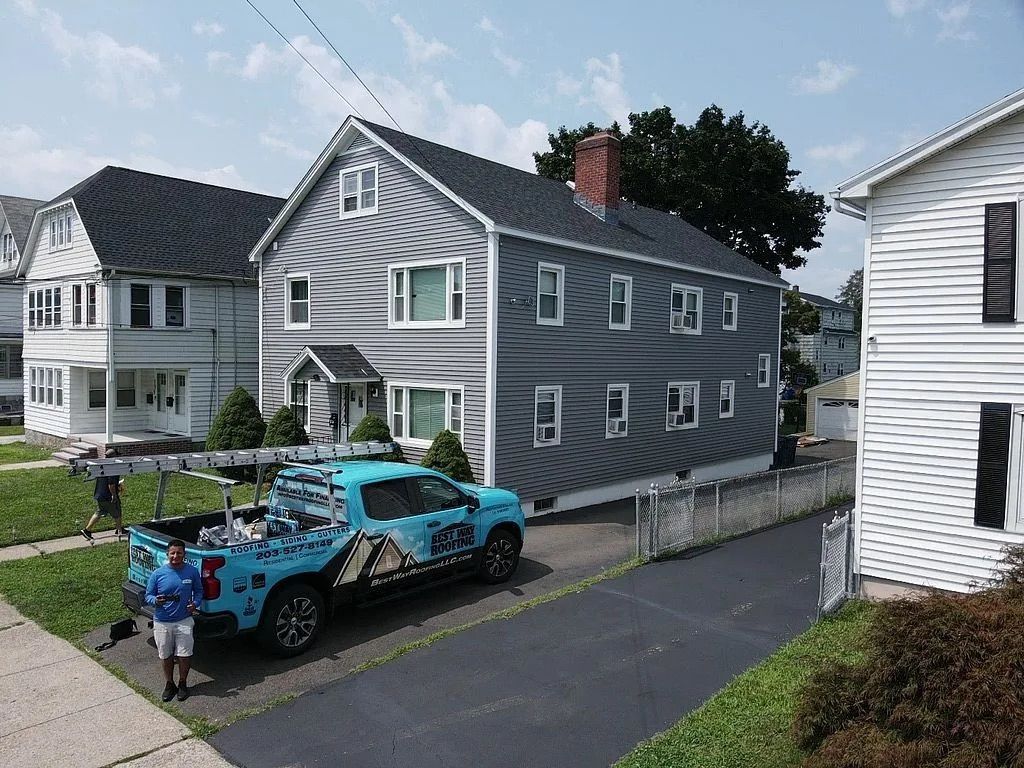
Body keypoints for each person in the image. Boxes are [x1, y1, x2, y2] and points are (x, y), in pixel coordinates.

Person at [144, 539, 202, 702]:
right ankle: (169, 684)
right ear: (167, 554)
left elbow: (198, 591)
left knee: (185, 654)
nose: (175, 556)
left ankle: (183, 683)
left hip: (184, 620)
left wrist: (195, 604)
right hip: (162, 621)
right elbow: (148, 595)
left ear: (184, 555)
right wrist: (156, 600)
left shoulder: (192, 572)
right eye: (172, 553)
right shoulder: (158, 574)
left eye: (179, 553)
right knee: (165, 655)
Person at [80, 474, 124, 541]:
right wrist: (114, 495)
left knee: (100, 511)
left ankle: (87, 530)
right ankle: (119, 531)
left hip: (100, 495)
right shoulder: (113, 470)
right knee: (117, 512)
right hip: (108, 496)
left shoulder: (103, 467)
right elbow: (111, 484)